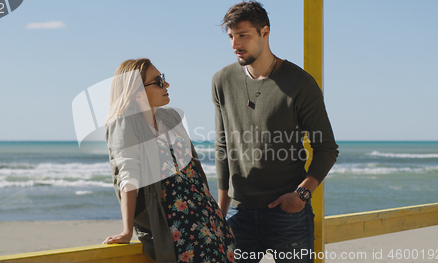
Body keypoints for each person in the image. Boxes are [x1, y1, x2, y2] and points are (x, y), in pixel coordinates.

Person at [212, 2, 339, 262]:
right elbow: (223, 149)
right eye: (231, 36)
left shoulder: (300, 83)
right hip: (239, 214)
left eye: (243, 35)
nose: (235, 44)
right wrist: (220, 213)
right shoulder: (222, 81)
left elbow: (326, 148)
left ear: (265, 32)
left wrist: (301, 195)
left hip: (287, 214)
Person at [103, 58, 237, 263]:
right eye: (158, 81)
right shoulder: (124, 124)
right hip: (178, 227)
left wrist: (217, 213)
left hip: (209, 218)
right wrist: (127, 230)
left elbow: (194, 170)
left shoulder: (171, 117)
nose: (166, 85)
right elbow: (128, 176)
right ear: (137, 92)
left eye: (163, 78)